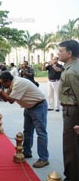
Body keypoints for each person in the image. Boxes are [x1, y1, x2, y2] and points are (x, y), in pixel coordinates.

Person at [0, 71, 49, 168]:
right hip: (29, 107)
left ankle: (44, 159)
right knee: (27, 131)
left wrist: (0, 90)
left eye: (3, 83)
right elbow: (7, 99)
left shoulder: (18, 83)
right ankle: (27, 152)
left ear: (8, 81)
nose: (2, 85)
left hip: (38, 106)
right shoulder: (11, 83)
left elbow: (10, 100)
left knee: (41, 133)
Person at [57, 40, 79, 181]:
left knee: (70, 147)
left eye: (61, 51)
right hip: (71, 111)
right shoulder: (72, 67)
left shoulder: (72, 72)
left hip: (72, 112)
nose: (58, 53)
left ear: (69, 53)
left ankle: (71, 177)